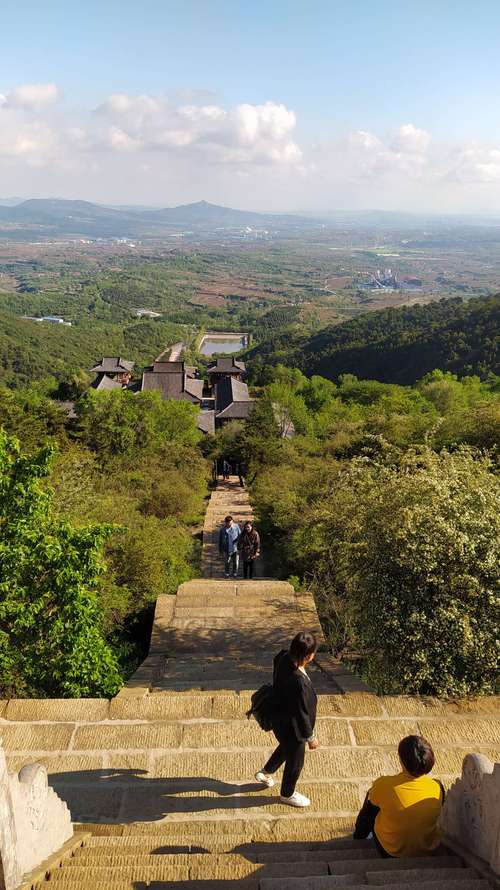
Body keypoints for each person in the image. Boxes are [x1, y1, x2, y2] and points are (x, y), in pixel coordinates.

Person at [254, 631, 319, 808]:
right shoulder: (299, 682)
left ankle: (266, 772)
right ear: (308, 656)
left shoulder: (283, 657)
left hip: (279, 721)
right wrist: (311, 738)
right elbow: (302, 715)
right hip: (294, 728)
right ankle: (287, 794)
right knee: (295, 762)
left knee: (285, 747)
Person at [353, 735, 444, 858]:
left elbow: (368, 815)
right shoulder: (437, 787)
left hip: (391, 851)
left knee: (372, 799)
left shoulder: (383, 784)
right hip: (427, 849)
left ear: (401, 760)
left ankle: (360, 836)